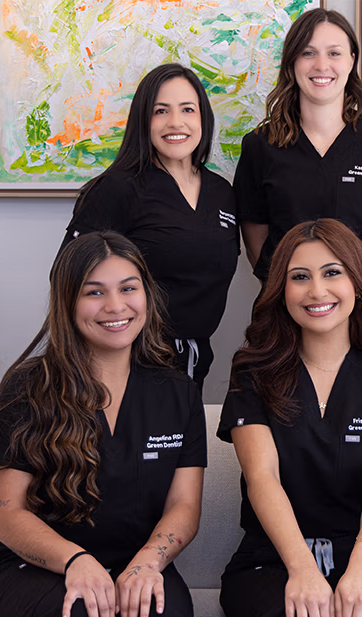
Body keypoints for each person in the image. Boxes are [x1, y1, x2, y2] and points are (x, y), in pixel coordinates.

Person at [0, 232, 206, 617]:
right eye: (94, 293)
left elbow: (184, 506)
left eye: (129, 288)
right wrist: (75, 560)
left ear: (147, 295)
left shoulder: (179, 393)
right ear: (67, 303)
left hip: (139, 566)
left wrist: (147, 563)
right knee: (81, 616)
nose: (115, 306)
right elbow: (9, 514)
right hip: (42, 571)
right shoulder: (27, 388)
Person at [217, 219, 362, 617]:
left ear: (357, 282)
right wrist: (302, 569)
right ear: (281, 290)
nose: (316, 291)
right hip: (271, 559)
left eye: (332, 273)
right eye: (299, 277)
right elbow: (262, 477)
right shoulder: (251, 373)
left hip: (357, 554)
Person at [234, 8, 362, 381]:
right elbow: (255, 235)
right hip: (291, 306)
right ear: (292, 63)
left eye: (334, 52)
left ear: (352, 60)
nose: (322, 64)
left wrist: (355, 282)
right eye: (308, 52)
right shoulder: (260, 146)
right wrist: (294, 284)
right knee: (284, 410)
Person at [61, 63, 239, 390]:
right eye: (161, 111)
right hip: (126, 365)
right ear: (144, 120)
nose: (176, 122)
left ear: (204, 118)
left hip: (194, 363)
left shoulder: (222, 193)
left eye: (188, 109)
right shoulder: (117, 189)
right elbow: (68, 277)